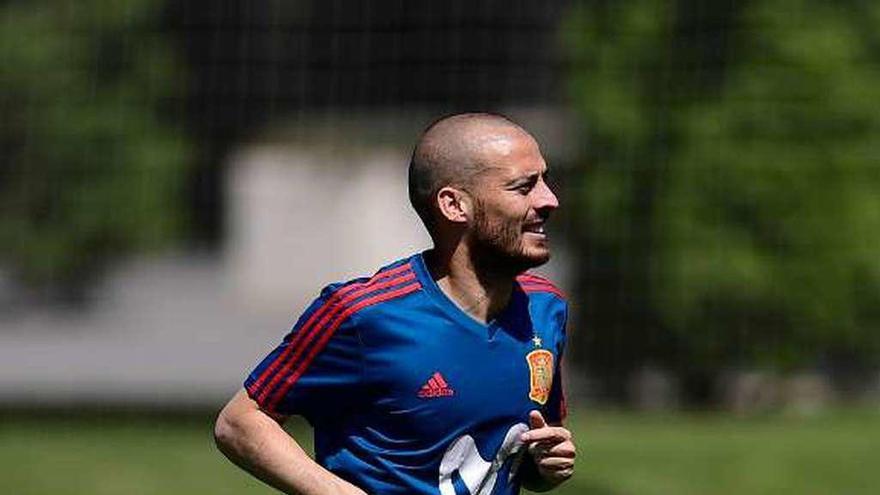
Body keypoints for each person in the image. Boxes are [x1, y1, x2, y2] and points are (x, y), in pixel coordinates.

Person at [214, 112, 577, 495]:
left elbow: (517, 451)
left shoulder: (545, 308)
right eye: (523, 187)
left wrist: (544, 465)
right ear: (455, 206)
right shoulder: (363, 314)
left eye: (545, 181)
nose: (549, 200)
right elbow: (240, 422)